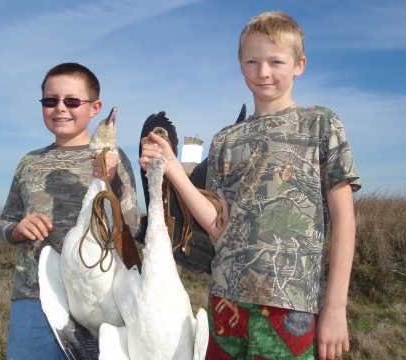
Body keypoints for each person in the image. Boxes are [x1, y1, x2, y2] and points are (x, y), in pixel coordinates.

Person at [138, 11, 360, 360]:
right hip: (226, 303)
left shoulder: (320, 123)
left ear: (299, 65)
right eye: (253, 61)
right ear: (241, 65)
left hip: (293, 305)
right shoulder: (225, 139)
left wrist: (334, 307)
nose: (263, 72)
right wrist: (173, 170)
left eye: (276, 61)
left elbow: (344, 218)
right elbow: (216, 225)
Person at [0, 62, 140, 359]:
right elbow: (5, 222)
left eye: (72, 101)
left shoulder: (113, 158)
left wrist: (111, 182)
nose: (60, 108)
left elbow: (133, 225)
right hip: (34, 296)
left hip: (101, 299)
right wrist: (16, 229)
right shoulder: (28, 162)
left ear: (94, 107)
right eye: (51, 101)